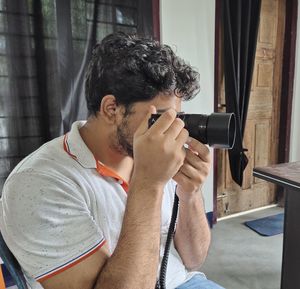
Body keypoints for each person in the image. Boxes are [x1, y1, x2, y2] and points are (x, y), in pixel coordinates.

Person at [0, 33, 224, 289]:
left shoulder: (154, 153)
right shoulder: (37, 184)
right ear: (111, 109)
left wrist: (190, 192)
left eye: (177, 116)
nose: (172, 128)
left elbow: (194, 259)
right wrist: (148, 184)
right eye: (161, 117)